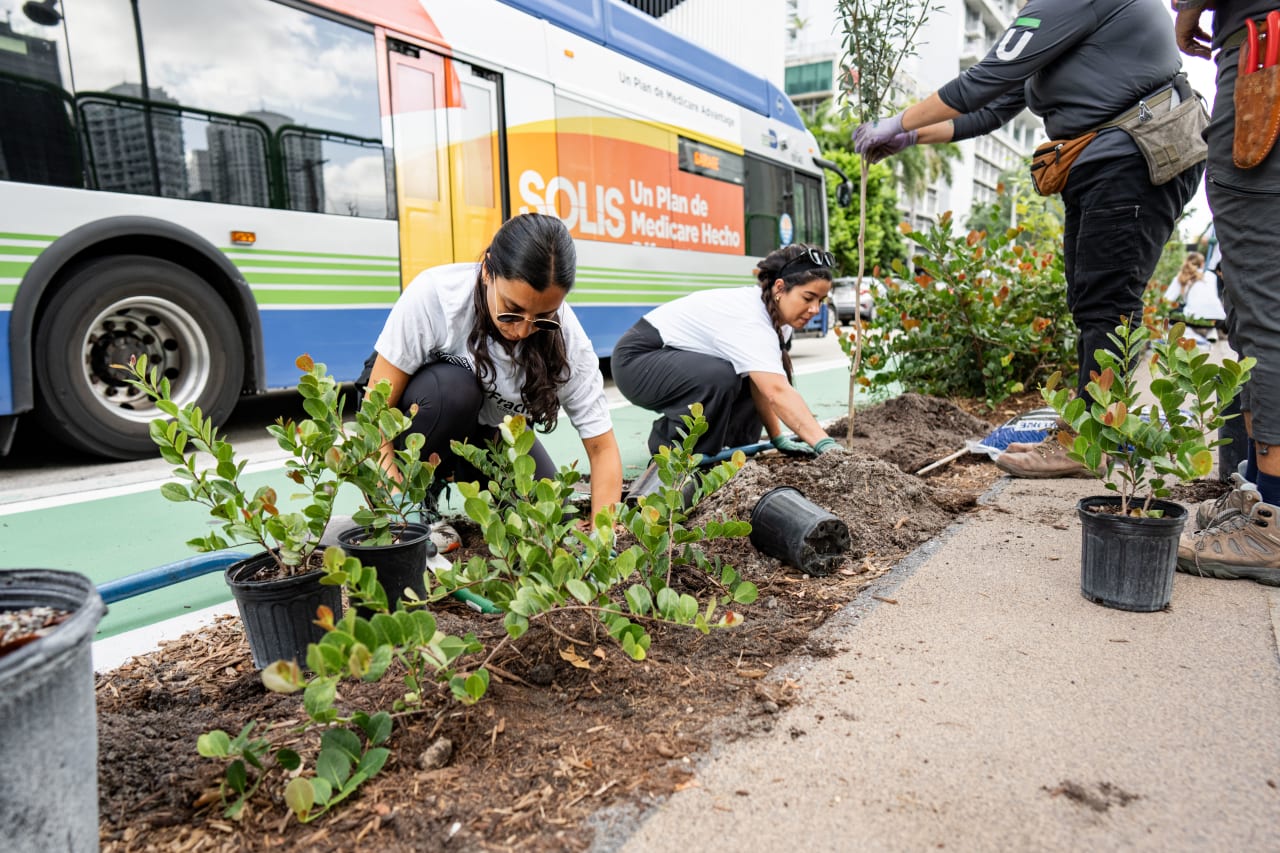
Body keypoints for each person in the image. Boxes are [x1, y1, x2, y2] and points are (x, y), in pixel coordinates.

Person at [853, 0, 1204, 479]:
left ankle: (1091, 442)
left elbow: (982, 81)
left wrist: (900, 120)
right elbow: (992, 108)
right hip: (1106, 158)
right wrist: (913, 137)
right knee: (1090, 300)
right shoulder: (1062, 26)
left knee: (1108, 301)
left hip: (1136, 153)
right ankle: (1084, 429)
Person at [362, 213, 623, 523]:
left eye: (542, 318)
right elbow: (375, 416)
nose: (522, 332)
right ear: (487, 271)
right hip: (423, 417)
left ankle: (462, 475)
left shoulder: (568, 340)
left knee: (551, 518)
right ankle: (419, 494)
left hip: (490, 430)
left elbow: (602, 448)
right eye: (512, 311)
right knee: (453, 390)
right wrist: (395, 503)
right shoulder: (436, 297)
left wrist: (602, 536)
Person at [1172, 1, 1280, 583]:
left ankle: (1273, 522)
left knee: (1263, 303)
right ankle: (1261, 493)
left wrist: (1188, 11)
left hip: (1266, 52)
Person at [611, 244, 845, 460]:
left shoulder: (780, 320)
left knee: (746, 377)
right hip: (636, 362)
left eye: (821, 300)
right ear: (780, 288)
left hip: (669, 360)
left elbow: (762, 387)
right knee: (720, 376)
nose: (815, 309)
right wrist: (826, 446)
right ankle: (671, 448)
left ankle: (733, 447)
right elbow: (777, 392)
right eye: (808, 298)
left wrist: (777, 437)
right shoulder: (751, 318)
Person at [1163, 250, 1226, 339]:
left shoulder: (1181, 277)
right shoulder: (1212, 276)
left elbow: (1167, 299)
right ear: (1202, 264)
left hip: (1193, 319)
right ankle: (1211, 331)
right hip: (1218, 320)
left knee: (1174, 312)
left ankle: (1190, 331)